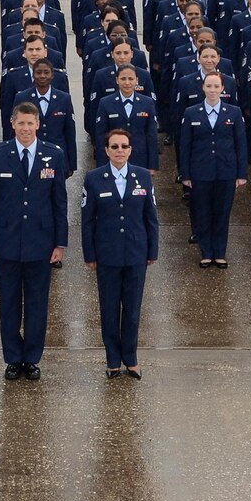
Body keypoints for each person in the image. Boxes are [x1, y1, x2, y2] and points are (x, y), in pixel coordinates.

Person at [0, 103, 69, 380]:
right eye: (21, 124)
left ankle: (31, 358)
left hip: (40, 243)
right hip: (6, 242)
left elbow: (59, 202)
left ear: (38, 125)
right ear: (12, 124)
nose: (26, 129)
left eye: (31, 123)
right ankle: (12, 358)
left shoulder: (53, 155)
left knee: (37, 304)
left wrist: (60, 244)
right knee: (8, 304)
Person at [82, 128, 159, 378]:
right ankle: (112, 360)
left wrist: (152, 250)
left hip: (136, 252)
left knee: (133, 310)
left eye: (124, 146)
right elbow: (88, 221)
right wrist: (90, 254)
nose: (119, 151)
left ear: (130, 149)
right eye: (114, 147)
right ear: (106, 150)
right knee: (109, 308)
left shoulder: (143, 177)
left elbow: (151, 218)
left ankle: (131, 358)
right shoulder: (93, 179)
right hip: (107, 254)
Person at [177, 71, 247, 268]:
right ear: (203, 88)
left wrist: (241, 173)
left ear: (223, 88)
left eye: (216, 86)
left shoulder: (234, 112)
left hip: (226, 171)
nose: (213, 90)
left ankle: (220, 252)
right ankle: (206, 252)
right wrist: (186, 174)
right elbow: (185, 145)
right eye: (209, 86)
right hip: (200, 172)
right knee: (203, 212)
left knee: (222, 213)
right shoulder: (191, 113)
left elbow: (241, 144)